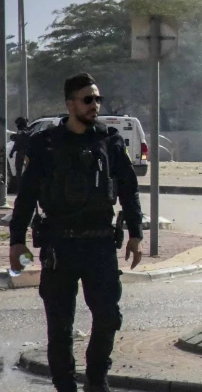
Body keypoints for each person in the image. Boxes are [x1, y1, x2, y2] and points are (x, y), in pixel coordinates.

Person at [7, 73, 145, 392]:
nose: (95, 105)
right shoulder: (45, 144)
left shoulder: (109, 141)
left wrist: (136, 233)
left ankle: (96, 380)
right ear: (70, 104)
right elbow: (26, 196)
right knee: (60, 327)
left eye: (97, 99)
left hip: (99, 244)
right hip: (59, 246)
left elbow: (129, 189)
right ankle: (65, 385)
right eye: (88, 99)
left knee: (109, 317)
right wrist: (16, 240)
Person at [10, 116, 30, 181]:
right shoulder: (28, 130)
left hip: (21, 152)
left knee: (19, 170)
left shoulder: (21, 131)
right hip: (28, 153)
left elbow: (17, 143)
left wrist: (12, 152)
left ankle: (20, 186)